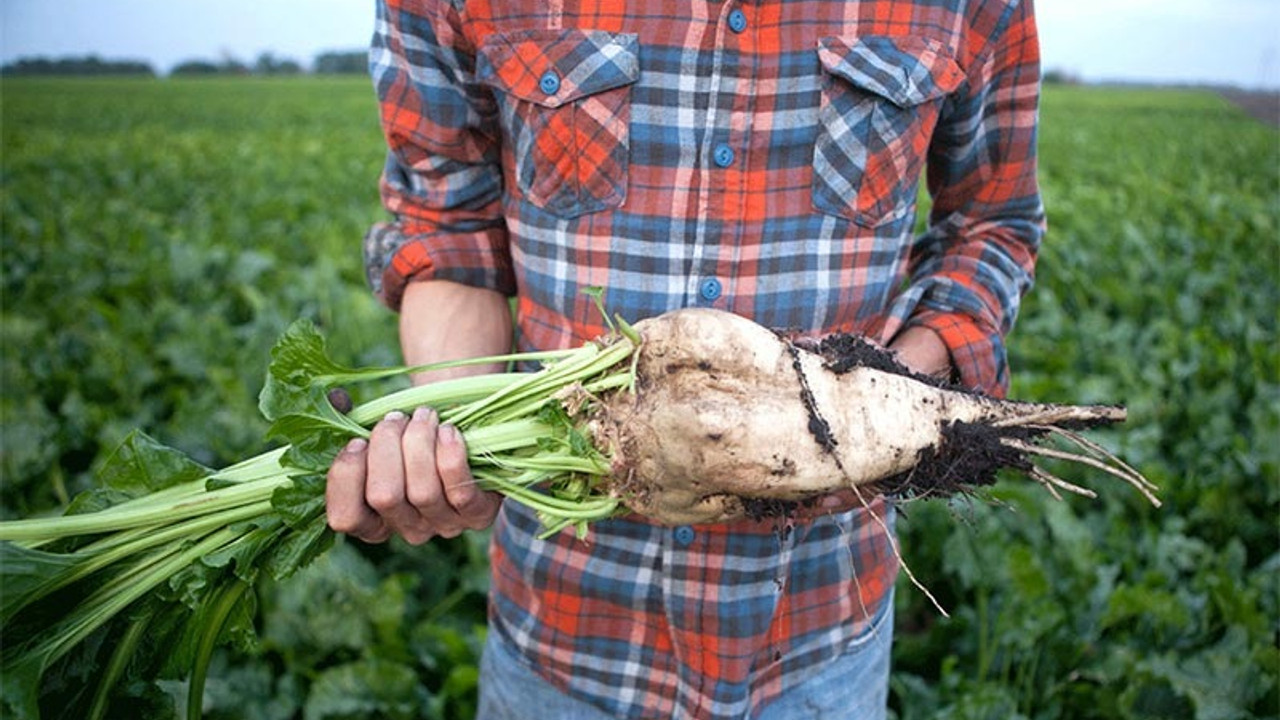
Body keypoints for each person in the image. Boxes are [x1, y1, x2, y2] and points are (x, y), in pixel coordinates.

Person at [326, 0, 1043, 717]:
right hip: (563, 637)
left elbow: (989, 223)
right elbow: (450, 229)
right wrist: (459, 439)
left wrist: (874, 417)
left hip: (825, 636)